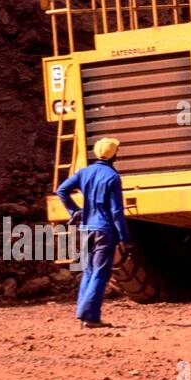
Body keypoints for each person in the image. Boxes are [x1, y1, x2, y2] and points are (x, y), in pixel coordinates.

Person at [56, 137, 133, 328]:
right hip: (104, 232)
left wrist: (74, 211)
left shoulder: (84, 173)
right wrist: (125, 238)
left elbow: (62, 190)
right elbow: (116, 212)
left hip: (86, 230)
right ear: (114, 155)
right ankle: (90, 317)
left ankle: (83, 314)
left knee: (89, 271)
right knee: (100, 273)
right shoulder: (112, 177)